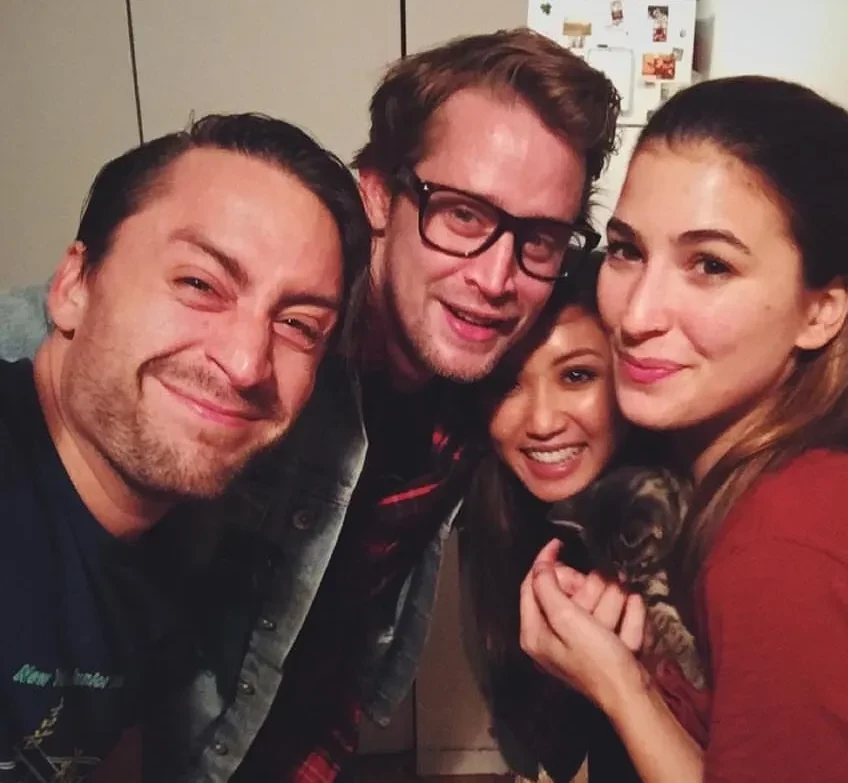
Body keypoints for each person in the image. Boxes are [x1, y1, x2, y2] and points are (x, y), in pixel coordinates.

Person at [0, 27, 620, 783]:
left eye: (541, 237)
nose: (496, 277)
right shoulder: (272, 330)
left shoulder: (494, 365)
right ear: (378, 193)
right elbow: (65, 341)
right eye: (462, 214)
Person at [519, 75, 848, 782]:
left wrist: (621, 689)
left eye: (710, 265)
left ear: (821, 310)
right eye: (627, 249)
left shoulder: (785, 557)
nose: (636, 314)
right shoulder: (721, 471)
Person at [0, 113, 367, 783]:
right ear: (74, 285)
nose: (246, 363)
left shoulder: (169, 551)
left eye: (298, 324)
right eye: (199, 284)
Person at [459, 258, 641, 783]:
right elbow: (551, 748)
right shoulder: (498, 508)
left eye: (576, 375)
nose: (541, 422)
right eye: (507, 384)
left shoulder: (681, 536)